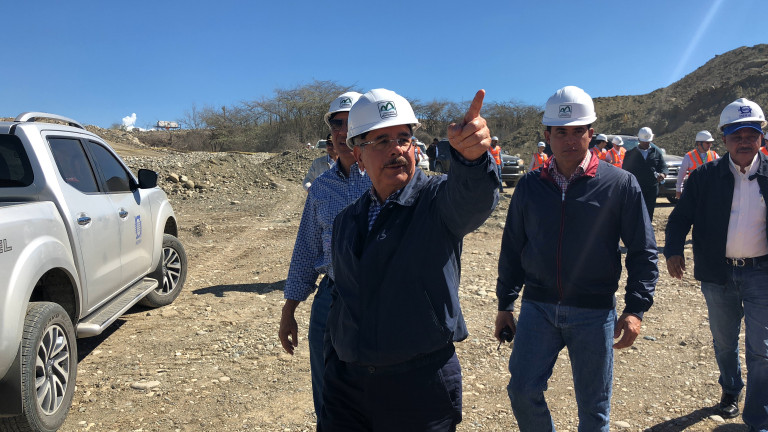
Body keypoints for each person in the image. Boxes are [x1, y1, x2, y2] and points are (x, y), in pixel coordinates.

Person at [321, 89, 499, 431]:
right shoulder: (347, 220)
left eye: (404, 138)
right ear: (359, 155)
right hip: (347, 384)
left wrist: (473, 161)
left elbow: (473, 199)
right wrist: (333, 364)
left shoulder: (436, 202)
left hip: (419, 384)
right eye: (382, 140)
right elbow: (341, 297)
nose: (397, 149)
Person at [495, 85, 658, 432]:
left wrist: (635, 309)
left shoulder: (620, 184)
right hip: (538, 308)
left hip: (594, 313)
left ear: (591, 133)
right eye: (561, 132)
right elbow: (512, 247)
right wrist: (505, 303)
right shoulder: (529, 186)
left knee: (594, 410)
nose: (570, 140)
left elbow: (643, 251)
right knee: (522, 391)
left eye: (578, 131)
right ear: (547, 136)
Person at [665, 97, 768, 431]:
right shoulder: (704, 176)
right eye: (736, 135)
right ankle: (731, 389)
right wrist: (673, 250)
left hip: (761, 274)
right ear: (724, 139)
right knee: (724, 342)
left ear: (761, 137)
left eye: (751, 135)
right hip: (718, 274)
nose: (744, 141)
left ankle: (758, 419)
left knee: (762, 349)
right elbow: (679, 218)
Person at [278, 91, 370, 422]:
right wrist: (289, 310)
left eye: (352, 123)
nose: (343, 132)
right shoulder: (321, 187)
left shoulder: (387, 179)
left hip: (378, 299)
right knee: (328, 395)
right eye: (337, 125)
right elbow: (306, 250)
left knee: (375, 394)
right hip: (330, 299)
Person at [622, 126, 668, 219]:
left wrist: (663, 174)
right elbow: (625, 170)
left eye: (648, 141)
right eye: (644, 142)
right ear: (639, 140)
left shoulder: (656, 153)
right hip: (636, 188)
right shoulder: (630, 154)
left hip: (652, 188)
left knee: (649, 212)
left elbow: (663, 167)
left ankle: (648, 228)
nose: (646, 143)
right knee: (636, 212)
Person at [674, 130, 720, 199]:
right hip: (694, 192)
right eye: (707, 143)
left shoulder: (714, 155)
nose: (710, 145)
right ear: (699, 143)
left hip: (710, 192)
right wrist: (678, 189)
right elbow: (681, 173)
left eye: (711, 142)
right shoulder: (689, 156)